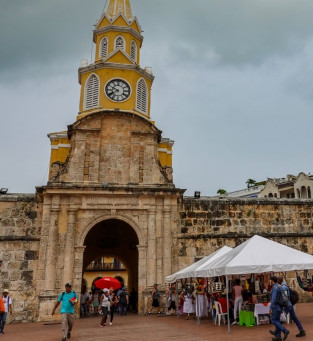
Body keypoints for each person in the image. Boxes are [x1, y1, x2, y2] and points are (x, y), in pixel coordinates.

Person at [269, 276, 289, 341]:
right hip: (280, 306)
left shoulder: (275, 287)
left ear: (272, 281)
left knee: (273, 320)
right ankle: (278, 337)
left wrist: (271, 308)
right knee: (277, 321)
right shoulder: (279, 286)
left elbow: (274, 298)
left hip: (275, 306)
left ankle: (285, 330)